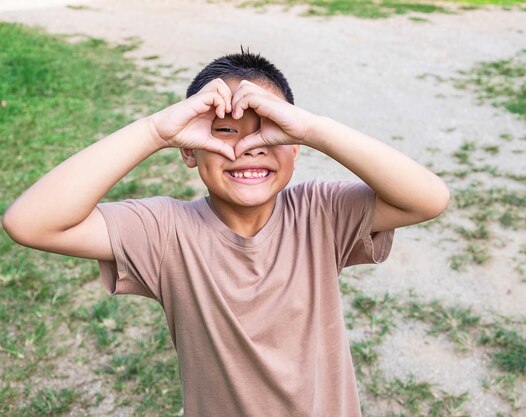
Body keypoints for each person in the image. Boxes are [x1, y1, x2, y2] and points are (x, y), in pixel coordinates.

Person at [3, 50, 450, 417]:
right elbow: (30, 222)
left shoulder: (321, 213)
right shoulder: (165, 233)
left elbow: (427, 198)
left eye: (269, 131)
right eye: (223, 132)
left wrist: (312, 128)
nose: (247, 147)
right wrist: (155, 130)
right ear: (190, 152)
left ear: (295, 146)